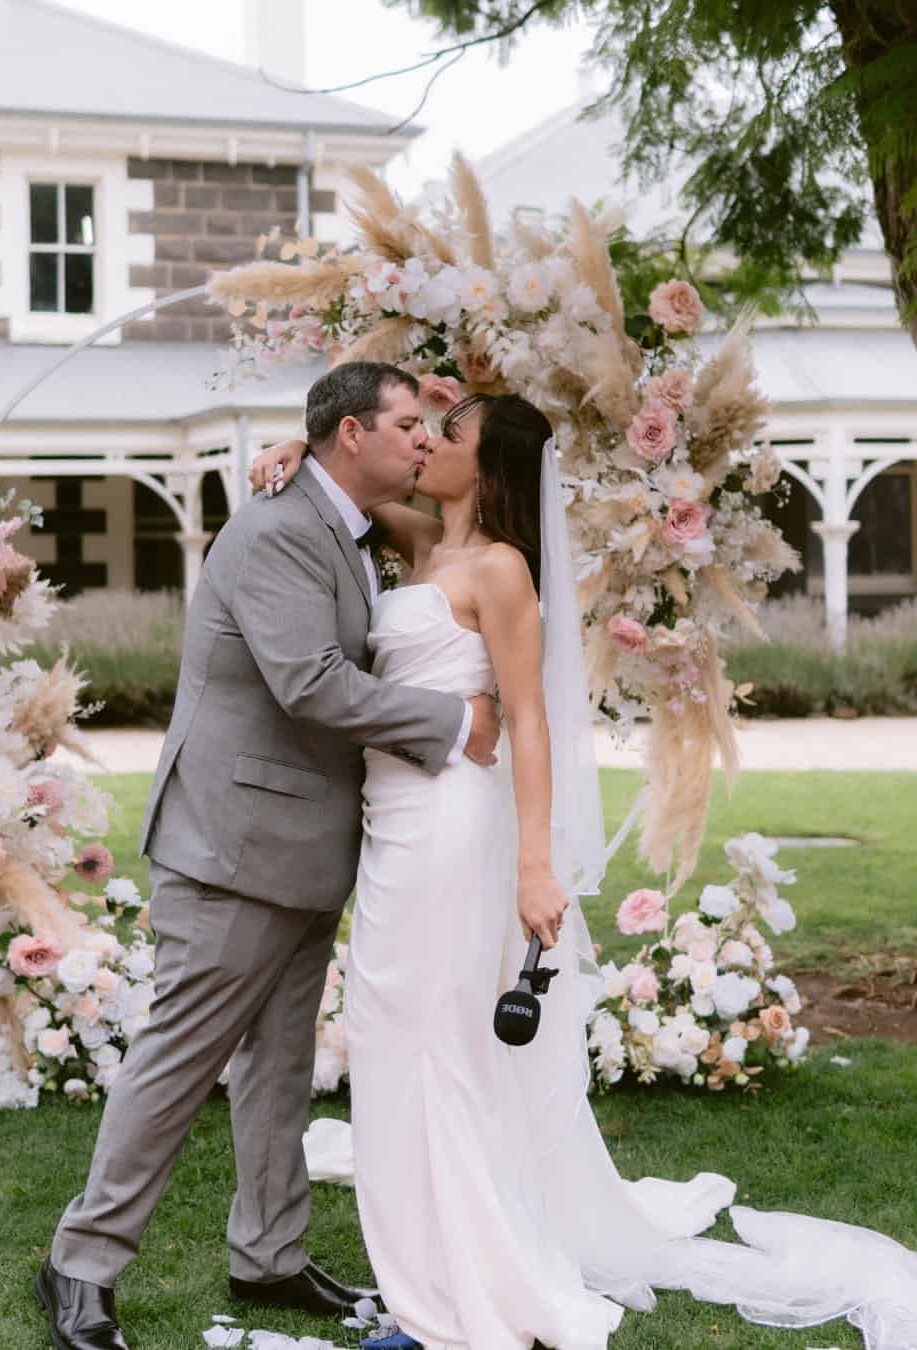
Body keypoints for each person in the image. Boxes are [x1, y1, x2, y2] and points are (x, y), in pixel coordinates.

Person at [250, 381, 917, 1350]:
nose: (427, 444)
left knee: (437, 1050)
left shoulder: (502, 571)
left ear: (490, 463)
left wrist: (533, 866)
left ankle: (455, 1297)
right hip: (389, 826)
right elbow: (338, 479)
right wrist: (286, 447)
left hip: (450, 830)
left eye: (451, 434)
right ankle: (422, 1277)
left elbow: (529, 723)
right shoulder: (422, 541)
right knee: (392, 1045)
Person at [35, 362, 506, 1350]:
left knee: (279, 1072)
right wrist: (455, 720)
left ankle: (269, 1257)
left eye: (432, 429)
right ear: (350, 436)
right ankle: (79, 1263)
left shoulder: (339, 528)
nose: (424, 442)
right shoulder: (278, 533)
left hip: (301, 850)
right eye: (407, 426)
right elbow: (314, 686)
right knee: (178, 1062)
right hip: (230, 849)